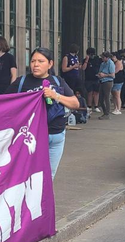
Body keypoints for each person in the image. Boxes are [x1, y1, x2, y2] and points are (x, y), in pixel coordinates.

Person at [8, 48, 80, 179]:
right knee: (29, 177)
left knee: (48, 177)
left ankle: (43, 200)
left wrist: (56, 95)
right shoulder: (21, 82)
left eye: (41, 61)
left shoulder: (58, 81)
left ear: (50, 64)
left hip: (56, 136)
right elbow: (4, 103)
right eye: (33, 61)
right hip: (32, 137)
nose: (36, 64)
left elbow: (75, 103)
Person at [96, 51, 115, 119]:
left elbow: (113, 75)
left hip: (108, 81)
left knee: (106, 97)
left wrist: (104, 75)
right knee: (101, 99)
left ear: (107, 57)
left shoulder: (111, 63)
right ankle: (104, 112)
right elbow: (100, 71)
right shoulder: (103, 64)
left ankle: (107, 113)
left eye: (103, 57)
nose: (102, 58)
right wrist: (99, 74)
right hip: (102, 81)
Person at [84, 48, 101, 113]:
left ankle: (96, 106)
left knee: (96, 92)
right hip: (88, 78)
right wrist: (86, 60)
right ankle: (89, 106)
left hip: (96, 78)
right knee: (90, 93)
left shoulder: (97, 59)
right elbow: (83, 68)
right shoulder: (85, 60)